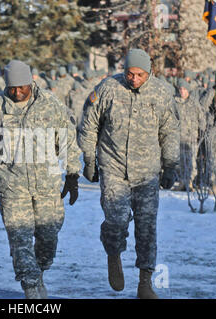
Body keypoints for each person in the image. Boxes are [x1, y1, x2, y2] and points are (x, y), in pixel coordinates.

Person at [0, 60, 81, 299]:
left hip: (46, 186)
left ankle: (38, 273)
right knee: (20, 240)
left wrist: (72, 174)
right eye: (12, 88)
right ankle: (31, 289)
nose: (18, 92)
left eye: (22, 87)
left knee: (48, 239)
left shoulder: (50, 104)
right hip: (12, 187)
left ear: (31, 82)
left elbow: (68, 139)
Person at [78, 49, 180, 299]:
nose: (134, 79)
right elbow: (89, 125)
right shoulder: (107, 89)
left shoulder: (162, 93)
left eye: (140, 75)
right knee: (116, 219)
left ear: (149, 72)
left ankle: (145, 282)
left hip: (147, 172)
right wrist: (89, 160)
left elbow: (170, 130)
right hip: (114, 168)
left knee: (147, 227)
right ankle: (114, 253)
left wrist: (171, 164)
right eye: (130, 74)